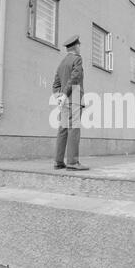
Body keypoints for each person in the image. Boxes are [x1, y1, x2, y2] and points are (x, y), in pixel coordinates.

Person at [52, 35, 89, 171]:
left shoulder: (62, 63)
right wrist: (66, 94)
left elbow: (55, 84)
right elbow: (75, 77)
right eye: (79, 46)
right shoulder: (77, 59)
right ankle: (73, 162)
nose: (80, 48)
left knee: (63, 130)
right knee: (74, 129)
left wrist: (59, 97)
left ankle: (58, 162)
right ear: (76, 46)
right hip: (73, 99)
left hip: (64, 102)